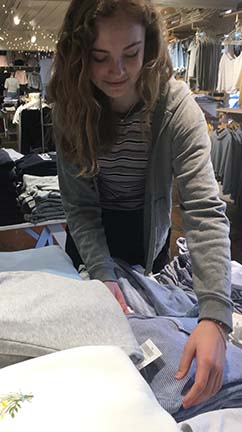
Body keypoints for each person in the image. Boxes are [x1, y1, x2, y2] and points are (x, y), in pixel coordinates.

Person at [49, 0, 233, 411]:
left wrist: (216, 317)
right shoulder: (71, 107)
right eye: (100, 58)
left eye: (130, 54)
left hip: (146, 231)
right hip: (89, 236)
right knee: (89, 357)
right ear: (79, 56)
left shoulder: (175, 105)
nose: (117, 71)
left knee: (140, 336)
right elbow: (79, 208)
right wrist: (102, 272)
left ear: (148, 46)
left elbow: (203, 209)